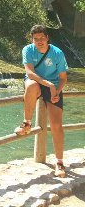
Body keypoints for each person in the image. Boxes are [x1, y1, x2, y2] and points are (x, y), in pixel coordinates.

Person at [14, 24, 68, 178]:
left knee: (57, 125)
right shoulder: (28, 50)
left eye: (41, 38)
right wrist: (48, 85)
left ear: (47, 38)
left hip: (54, 86)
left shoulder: (57, 53)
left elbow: (63, 78)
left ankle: (59, 162)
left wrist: (56, 91)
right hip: (38, 82)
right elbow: (30, 73)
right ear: (32, 40)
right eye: (35, 39)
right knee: (31, 86)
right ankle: (27, 123)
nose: (39, 41)